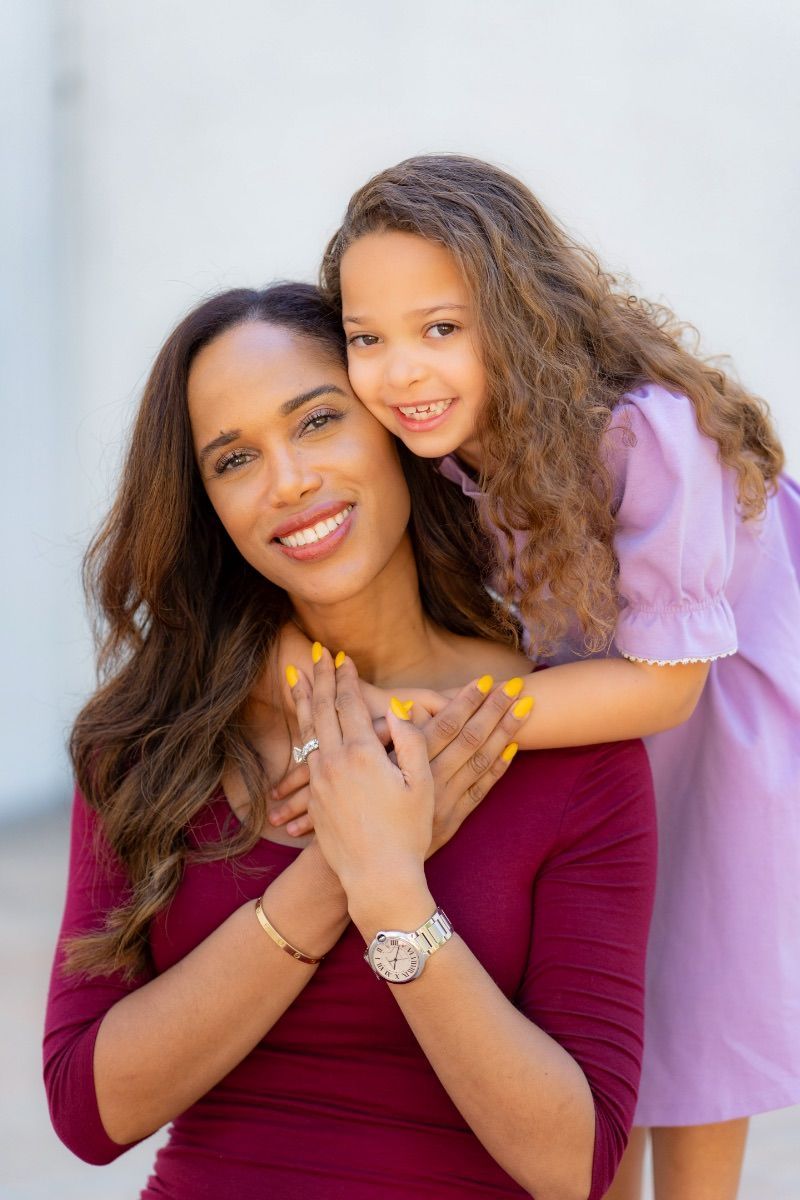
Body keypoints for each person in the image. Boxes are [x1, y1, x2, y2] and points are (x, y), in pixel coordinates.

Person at [44, 283, 656, 1200]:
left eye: (319, 420)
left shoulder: (568, 737)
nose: (287, 480)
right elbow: (89, 1114)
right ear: (207, 504)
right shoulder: (147, 744)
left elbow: (575, 1161)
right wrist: (341, 867)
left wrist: (392, 895)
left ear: (395, 427)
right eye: (235, 458)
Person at [309, 154, 800, 1200]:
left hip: (717, 739)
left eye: (440, 328)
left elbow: (668, 683)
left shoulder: (640, 432)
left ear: (515, 309)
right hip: (585, 734)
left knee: (697, 999)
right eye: (367, 338)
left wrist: (424, 718)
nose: (399, 372)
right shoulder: (435, 449)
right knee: (595, 1033)